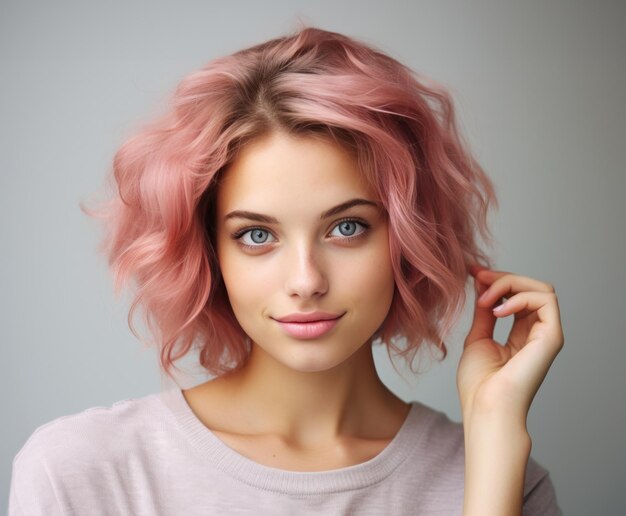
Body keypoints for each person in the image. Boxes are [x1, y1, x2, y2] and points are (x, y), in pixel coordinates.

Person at [8, 25, 564, 515]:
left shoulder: (503, 480)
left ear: (408, 237)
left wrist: (493, 442)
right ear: (209, 252)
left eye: (346, 228)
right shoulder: (83, 473)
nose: (305, 280)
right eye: (257, 235)